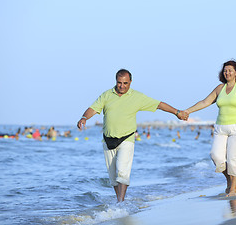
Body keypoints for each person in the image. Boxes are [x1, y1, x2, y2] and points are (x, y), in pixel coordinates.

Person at [77, 69, 187, 202]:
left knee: (122, 172)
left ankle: (120, 203)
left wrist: (177, 112)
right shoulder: (106, 95)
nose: (122, 86)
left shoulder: (137, 97)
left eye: (125, 83)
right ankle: (119, 201)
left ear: (130, 82)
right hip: (108, 140)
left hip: (127, 139)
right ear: (115, 81)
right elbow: (93, 109)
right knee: (113, 177)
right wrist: (84, 118)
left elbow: (158, 104)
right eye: (119, 83)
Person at [183, 60, 236, 197]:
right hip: (221, 127)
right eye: (225, 70)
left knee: (234, 159)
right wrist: (187, 111)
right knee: (216, 156)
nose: (227, 73)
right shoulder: (220, 89)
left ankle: (233, 189)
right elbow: (205, 102)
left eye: (230, 70)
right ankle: (229, 180)